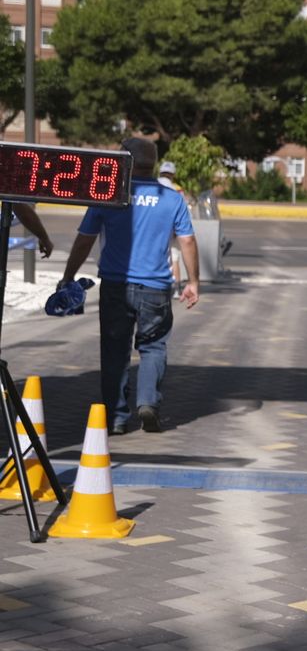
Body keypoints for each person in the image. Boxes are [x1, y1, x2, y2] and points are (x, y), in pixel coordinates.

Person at [59, 138, 200, 435]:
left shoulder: (107, 194)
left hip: (115, 284)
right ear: (155, 164)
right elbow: (186, 240)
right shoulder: (172, 198)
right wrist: (193, 281)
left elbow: (85, 238)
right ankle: (148, 402)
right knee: (153, 346)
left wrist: (69, 275)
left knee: (114, 350)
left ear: (125, 160)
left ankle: (116, 417)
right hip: (156, 288)